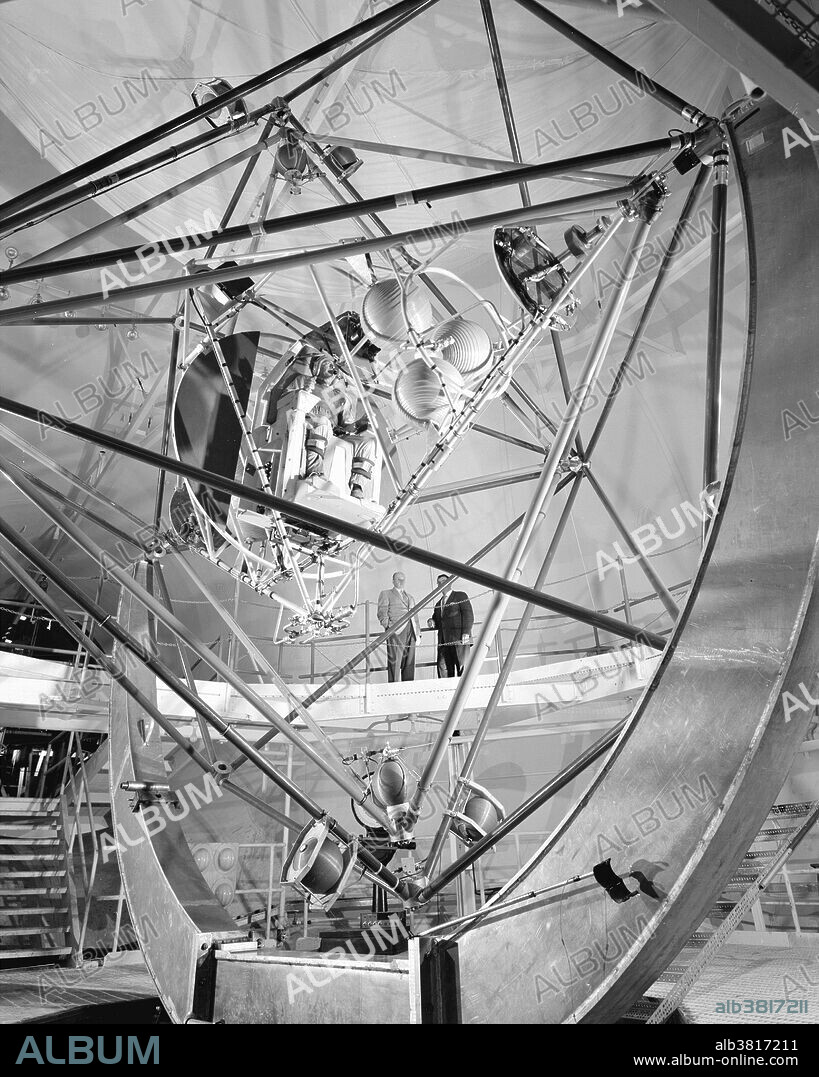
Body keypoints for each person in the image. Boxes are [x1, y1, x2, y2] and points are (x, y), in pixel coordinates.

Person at [267, 344, 377, 499]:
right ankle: (315, 472)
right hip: (304, 423)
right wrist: (303, 390)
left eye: (332, 366)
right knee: (323, 422)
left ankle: (357, 486)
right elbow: (282, 402)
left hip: (330, 431)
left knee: (368, 442)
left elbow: (347, 426)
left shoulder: (339, 396)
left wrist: (361, 423)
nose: (331, 367)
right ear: (316, 369)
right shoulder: (302, 380)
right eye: (326, 364)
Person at [428, 575, 474, 677]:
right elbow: (436, 619)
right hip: (444, 642)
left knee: (462, 669)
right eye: (439, 582)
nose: (441, 584)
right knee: (443, 669)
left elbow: (468, 614)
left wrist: (466, 633)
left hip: (459, 639)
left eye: (443, 581)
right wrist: (431, 621)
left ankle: (463, 691)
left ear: (450, 582)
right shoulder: (438, 604)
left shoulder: (460, 596)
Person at [377, 571, 420, 682]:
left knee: (409, 661)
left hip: (411, 631)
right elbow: (382, 613)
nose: (401, 582)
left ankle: (408, 685)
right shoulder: (386, 594)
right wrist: (390, 627)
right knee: (395, 660)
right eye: (398, 579)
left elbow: (415, 616)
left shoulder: (410, 597)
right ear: (393, 581)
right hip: (396, 631)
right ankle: (393, 685)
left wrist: (418, 632)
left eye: (403, 579)